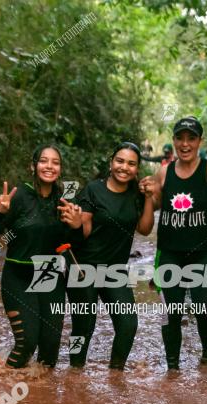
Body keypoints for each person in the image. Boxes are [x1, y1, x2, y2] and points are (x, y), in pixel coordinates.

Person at [140, 116, 207, 370]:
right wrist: (145, 193)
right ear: (174, 140)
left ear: (200, 141)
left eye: (191, 138)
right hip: (169, 254)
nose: (185, 144)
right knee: (171, 313)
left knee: (205, 309)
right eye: (180, 138)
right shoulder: (164, 172)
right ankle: (173, 369)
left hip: (206, 253)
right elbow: (148, 215)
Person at [0, 144, 83, 369]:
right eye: (44, 161)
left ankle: (41, 401)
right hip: (19, 276)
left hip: (49, 274)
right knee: (27, 342)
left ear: (60, 168)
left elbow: (71, 242)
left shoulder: (63, 199)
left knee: (50, 347)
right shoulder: (18, 197)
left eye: (55, 162)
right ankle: (7, 390)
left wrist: (76, 226)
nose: (49, 166)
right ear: (33, 166)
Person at [67, 142, 155, 370]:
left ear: (137, 169)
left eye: (131, 163)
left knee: (128, 324)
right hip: (84, 267)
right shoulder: (93, 190)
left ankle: (116, 374)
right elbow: (84, 227)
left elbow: (144, 229)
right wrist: (77, 223)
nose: (124, 167)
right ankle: (74, 372)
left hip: (115, 271)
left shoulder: (137, 194)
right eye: (120, 161)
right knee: (83, 327)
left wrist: (148, 198)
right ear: (111, 163)